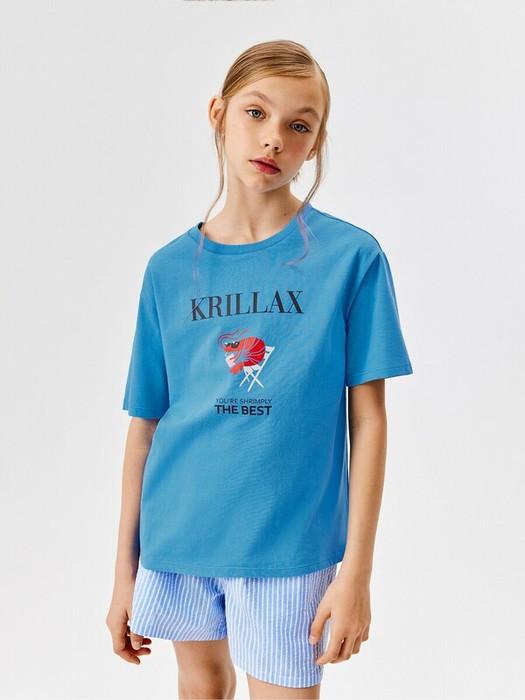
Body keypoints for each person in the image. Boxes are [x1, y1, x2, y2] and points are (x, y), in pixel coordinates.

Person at [106, 39, 414, 700]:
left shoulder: (350, 258)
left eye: (298, 125)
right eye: (256, 113)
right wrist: (123, 572)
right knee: (199, 684)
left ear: (315, 143)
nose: (274, 137)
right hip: (178, 536)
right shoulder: (168, 269)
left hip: (289, 545)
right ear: (218, 114)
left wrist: (356, 572)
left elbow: (368, 421)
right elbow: (145, 427)